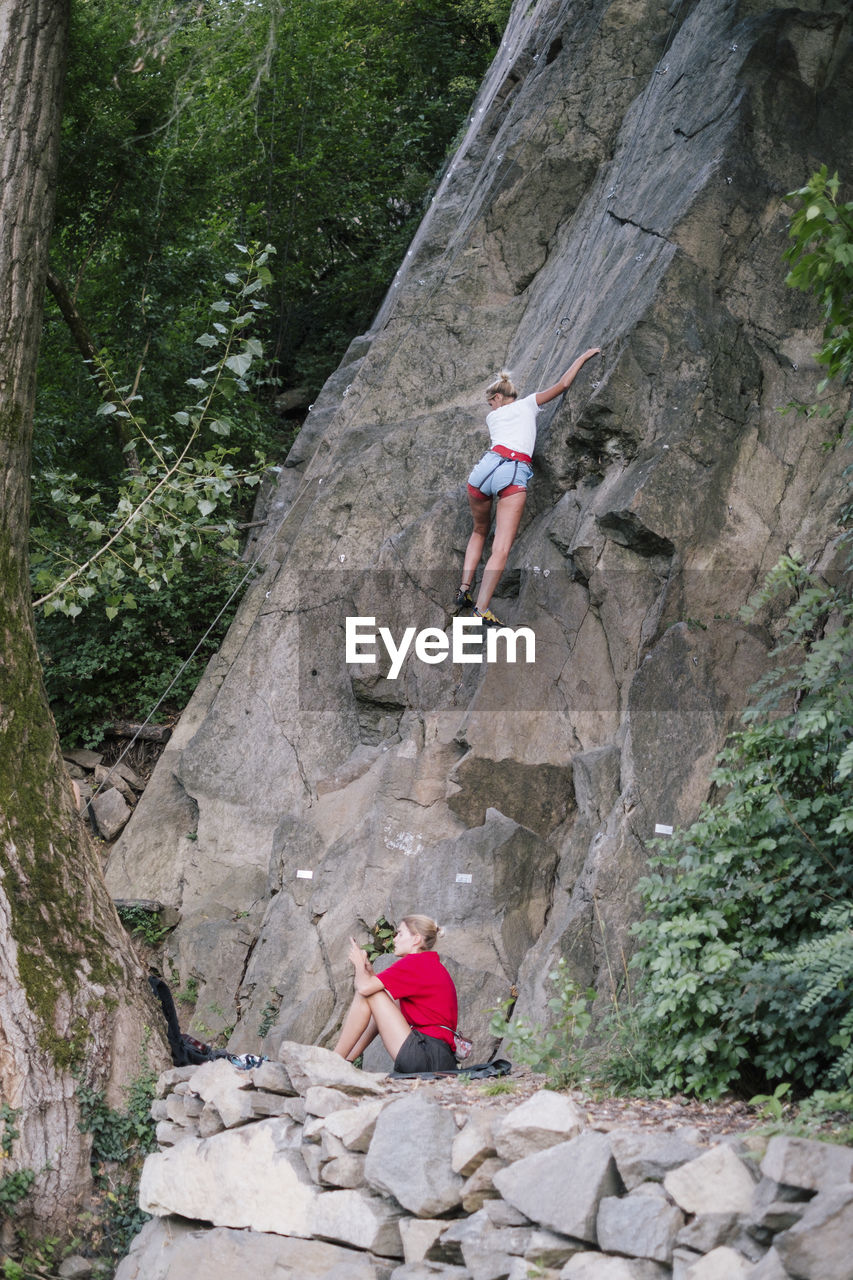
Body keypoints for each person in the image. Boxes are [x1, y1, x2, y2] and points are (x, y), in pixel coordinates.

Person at [456, 348, 601, 626]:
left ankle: (464, 590)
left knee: (479, 530)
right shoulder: (527, 404)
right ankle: (481, 609)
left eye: (490, 402)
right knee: (500, 547)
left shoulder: (494, 417)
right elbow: (563, 385)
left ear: (497, 398)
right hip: (513, 470)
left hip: (485, 470)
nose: (490, 408)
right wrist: (582, 356)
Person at [333, 913, 458, 1073]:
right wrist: (369, 974)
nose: (394, 939)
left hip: (426, 1055)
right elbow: (384, 1010)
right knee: (378, 996)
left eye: (400, 933)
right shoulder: (426, 963)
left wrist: (358, 964)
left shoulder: (415, 963)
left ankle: (334, 1060)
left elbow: (364, 989)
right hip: (438, 1058)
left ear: (416, 939)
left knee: (368, 993)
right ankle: (346, 1060)